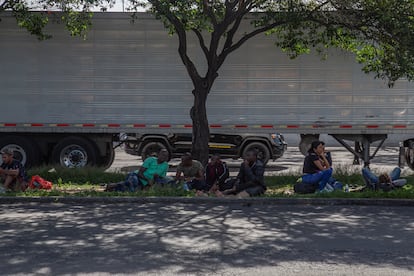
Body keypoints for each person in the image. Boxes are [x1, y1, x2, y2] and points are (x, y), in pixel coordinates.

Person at [105, 149, 170, 192]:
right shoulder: (150, 160)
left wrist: (153, 180)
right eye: (162, 155)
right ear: (158, 155)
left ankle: (113, 188)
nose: (163, 157)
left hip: (146, 182)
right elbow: (140, 173)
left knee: (131, 190)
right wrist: (147, 180)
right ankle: (113, 185)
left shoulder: (165, 165)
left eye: (166, 156)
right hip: (137, 176)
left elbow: (161, 177)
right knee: (133, 182)